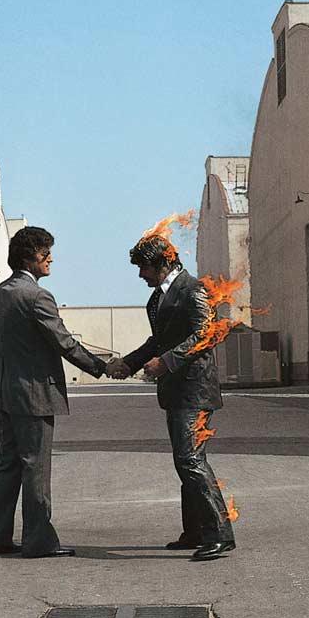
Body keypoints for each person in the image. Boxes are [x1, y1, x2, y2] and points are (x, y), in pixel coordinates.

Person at [0, 226, 107, 558]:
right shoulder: (37, 296)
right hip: (33, 394)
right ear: (28, 258)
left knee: (7, 464)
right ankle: (39, 542)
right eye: (45, 253)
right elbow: (63, 342)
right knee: (35, 466)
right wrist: (102, 366)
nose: (51, 259)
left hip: (3, 393)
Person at [107, 235, 235, 561]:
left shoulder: (194, 290)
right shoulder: (158, 298)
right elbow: (158, 340)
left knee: (191, 461)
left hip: (194, 391)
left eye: (144, 268)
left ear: (163, 263)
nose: (141, 275)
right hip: (176, 392)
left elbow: (206, 334)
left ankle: (219, 534)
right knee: (185, 462)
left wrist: (166, 362)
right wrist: (130, 363)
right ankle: (195, 532)